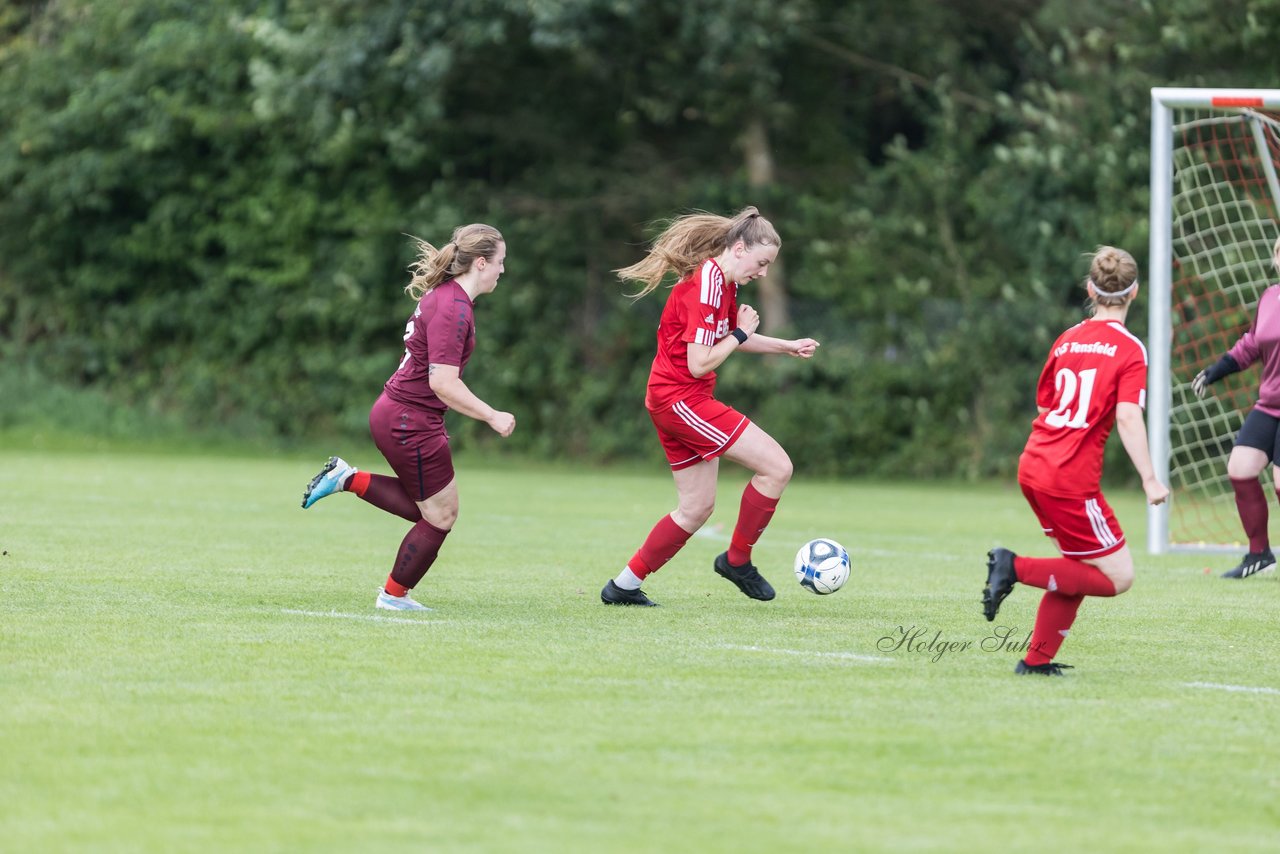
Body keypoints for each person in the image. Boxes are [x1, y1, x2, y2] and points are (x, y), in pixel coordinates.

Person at [601, 206, 820, 606]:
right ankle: (737, 560)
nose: (764, 272)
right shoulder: (708, 286)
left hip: (676, 399)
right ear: (739, 249)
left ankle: (622, 586)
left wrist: (784, 346)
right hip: (681, 400)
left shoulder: (722, 282)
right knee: (777, 467)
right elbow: (701, 360)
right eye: (762, 262)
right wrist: (740, 332)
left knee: (696, 508)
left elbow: (726, 338)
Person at [300, 224, 516, 611]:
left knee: (432, 510)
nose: (503, 270)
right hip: (408, 422)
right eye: (500, 262)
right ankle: (393, 597)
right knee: (441, 515)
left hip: (401, 415)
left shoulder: (447, 297)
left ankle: (347, 478)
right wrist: (492, 416)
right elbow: (443, 383)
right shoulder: (454, 309)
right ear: (481, 263)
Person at [983, 246, 1170, 675]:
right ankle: (1014, 566)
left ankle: (1035, 661)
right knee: (1118, 577)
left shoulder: (1068, 338)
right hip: (1069, 478)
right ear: (1135, 292)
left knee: (1080, 567)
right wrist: (1149, 479)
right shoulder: (1130, 349)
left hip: (1034, 464)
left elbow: (1047, 400)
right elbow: (1126, 415)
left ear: (1090, 288)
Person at [1191, 235, 1280, 579]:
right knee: (1240, 468)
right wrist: (1217, 369)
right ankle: (1259, 555)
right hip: (1270, 404)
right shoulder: (1270, 297)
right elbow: (1252, 343)